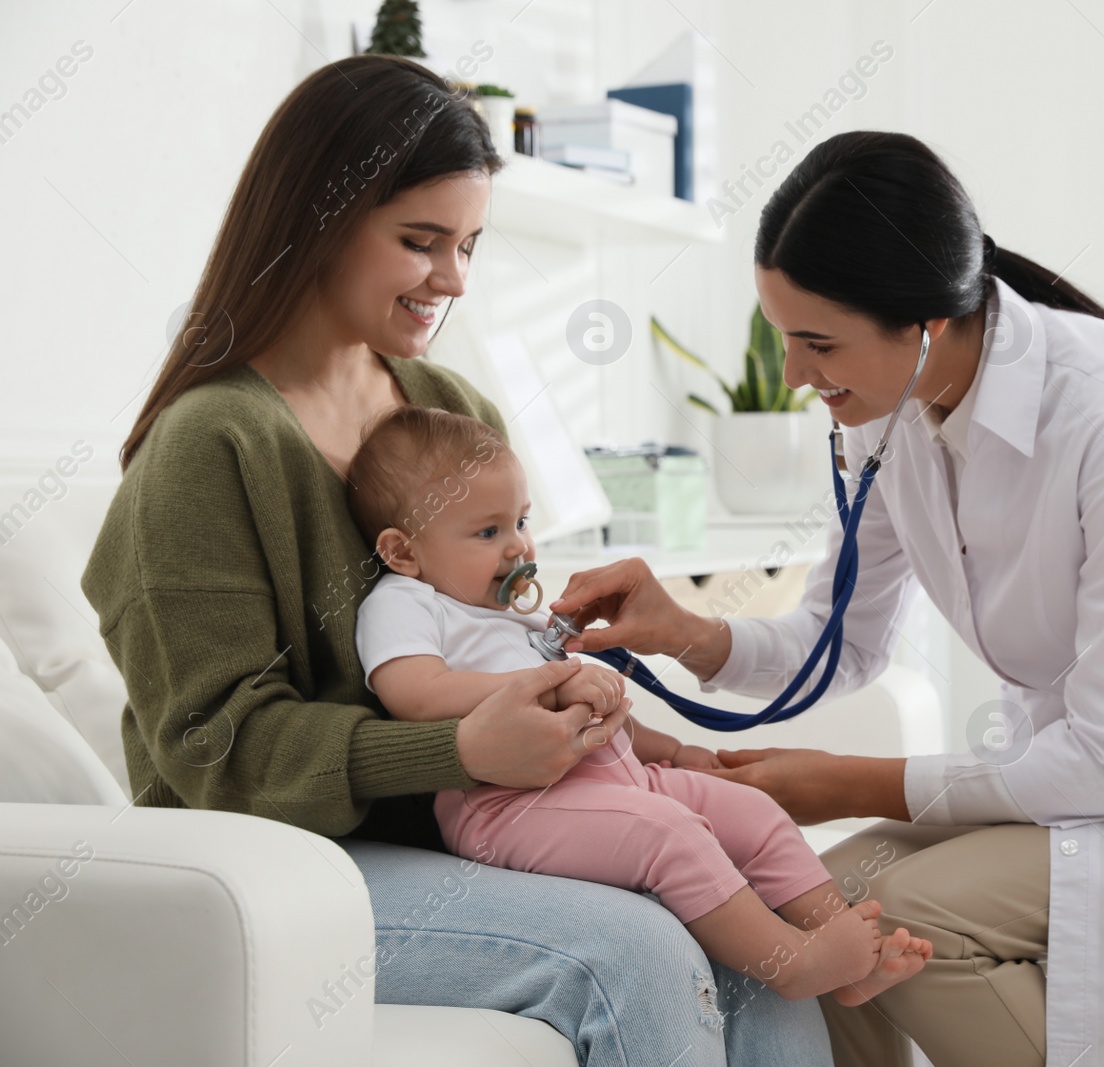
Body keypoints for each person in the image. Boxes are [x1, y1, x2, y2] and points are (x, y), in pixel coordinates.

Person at [546, 130, 1104, 1067]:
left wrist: (846, 782)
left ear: (926, 324)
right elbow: (839, 643)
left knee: (898, 917)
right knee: (805, 914)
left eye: (818, 343)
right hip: (1082, 779)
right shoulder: (891, 414)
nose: (794, 376)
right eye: (784, 337)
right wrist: (686, 631)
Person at [79, 54, 831, 1066]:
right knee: (636, 952)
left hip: (473, 823)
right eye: (420, 241)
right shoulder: (208, 447)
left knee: (741, 914)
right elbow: (216, 749)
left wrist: (572, 682)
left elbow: (498, 625)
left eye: (469, 244)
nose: (453, 279)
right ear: (315, 219)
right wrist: (463, 748)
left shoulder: (447, 408)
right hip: (281, 866)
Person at [346, 405, 932, 1004]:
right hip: (507, 809)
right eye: (488, 532)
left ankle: (841, 952)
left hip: (620, 781)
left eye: (522, 521)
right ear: (403, 552)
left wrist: (677, 751)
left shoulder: (511, 616)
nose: (518, 547)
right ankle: (793, 965)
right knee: (671, 836)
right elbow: (415, 696)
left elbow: (607, 721)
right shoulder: (406, 602)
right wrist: (546, 683)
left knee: (751, 811)